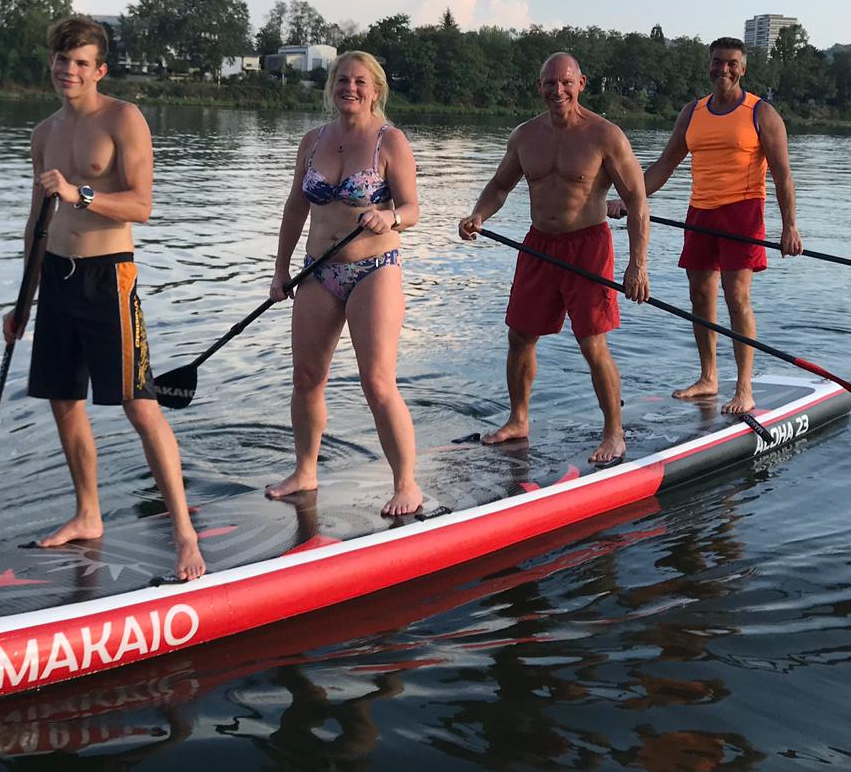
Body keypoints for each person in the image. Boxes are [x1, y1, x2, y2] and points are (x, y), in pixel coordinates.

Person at [5, 15, 205, 581]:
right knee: (63, 401)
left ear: (100, 70)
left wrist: (80, 192)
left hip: (107, 276)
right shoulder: (44, 133)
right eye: (61, 61)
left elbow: (142, 205)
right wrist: (23, 300)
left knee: (140, 404)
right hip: (58, 281)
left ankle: (184, 534)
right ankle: (87, 514)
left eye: (80, 63)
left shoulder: (123, 118)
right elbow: (36, 218)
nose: (68, 71)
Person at [458, 52, 650, 465]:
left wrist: (638, 264)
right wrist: (478, 214)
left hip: (588, 246)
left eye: (565, 82)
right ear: (539, 86)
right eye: (549, 82)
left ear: (581, 83)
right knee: (519, 336)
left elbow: (636, 201)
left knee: (591, 342)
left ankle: (614, 433)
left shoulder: (605, 136)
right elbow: (499, 185)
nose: (557, 90)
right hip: (538, 246)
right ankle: (518, 419)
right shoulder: (525, 136)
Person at [266, 50, 423, 517]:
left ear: (375, 91)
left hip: (374, 269)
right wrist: (280, 268)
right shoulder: (313, 140)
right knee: (307, 377)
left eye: (359, 82)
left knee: (376, 382)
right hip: (318, 269)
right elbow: (296, 208)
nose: (349, 88)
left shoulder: (390, 142)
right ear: (331, 86)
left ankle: (406, 483)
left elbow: (413, 209)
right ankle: (305, 471)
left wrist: (389, 214)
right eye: (341, 80)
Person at [609, 36, 802, 415]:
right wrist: (629, 200)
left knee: (736, 296)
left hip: (744, 212)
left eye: (731, 63)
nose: (723, 69)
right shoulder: (692, 112)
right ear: (708, 65)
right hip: (700, 212)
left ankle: (744, 388)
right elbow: (663, 166)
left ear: (743, 68)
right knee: (700, 293)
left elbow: (783, 177)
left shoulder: (761, 113)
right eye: (717, 62)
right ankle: (708, 377)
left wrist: (789, 227)